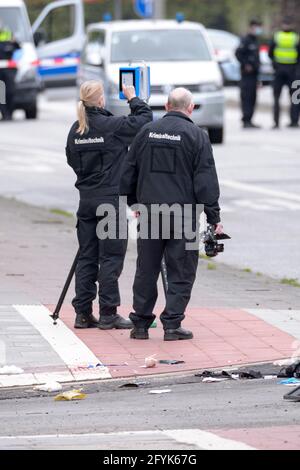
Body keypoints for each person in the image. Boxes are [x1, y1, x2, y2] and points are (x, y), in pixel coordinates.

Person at [119, 88, 223, 341]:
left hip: (151, 213)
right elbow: (205, 180)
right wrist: (213, 217)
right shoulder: (197, 136)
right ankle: (172, 325)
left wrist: (135, 203)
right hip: (184, 215)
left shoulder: (145, 132)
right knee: (182, 270)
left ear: (166, 106)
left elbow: (129, 171)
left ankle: (140, 325)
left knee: (147, 269)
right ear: (191, 107)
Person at [66, 80, 153, 329]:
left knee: (87, 258)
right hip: (110, 202)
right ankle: (108, 313)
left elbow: (71, 159)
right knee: (111, 258)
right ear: (101, 100)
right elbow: (144, 119)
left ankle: (82, 313)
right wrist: (133, 97)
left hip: (86, 200)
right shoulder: (111, 126)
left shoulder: (75, 130)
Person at [269, 17, 300, 129]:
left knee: (288, 97)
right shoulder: (295, 37)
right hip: (291, 71)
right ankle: (293, 121)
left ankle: (279, 122)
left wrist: (275, 64)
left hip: (282, 70)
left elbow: (270, 53)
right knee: (294, 97)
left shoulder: (277, 36)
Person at [236, 19, 263, 129]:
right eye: (256, 27)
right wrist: (245, 64)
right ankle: (246, 119)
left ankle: (250, 120)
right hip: (247, 75)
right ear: (251, 27)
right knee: (246, 97)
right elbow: (238, 53)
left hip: (254, 75)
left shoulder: (255, 40)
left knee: (252, 97)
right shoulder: (246, 40)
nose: (258, 30)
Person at [0, 21, 20, 121]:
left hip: (9, 70)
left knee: (11, 92)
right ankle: (5, 115)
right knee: (1, 93)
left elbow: (18, 48)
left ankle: (10, 113)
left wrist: (14, 42)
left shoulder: (8, 34)